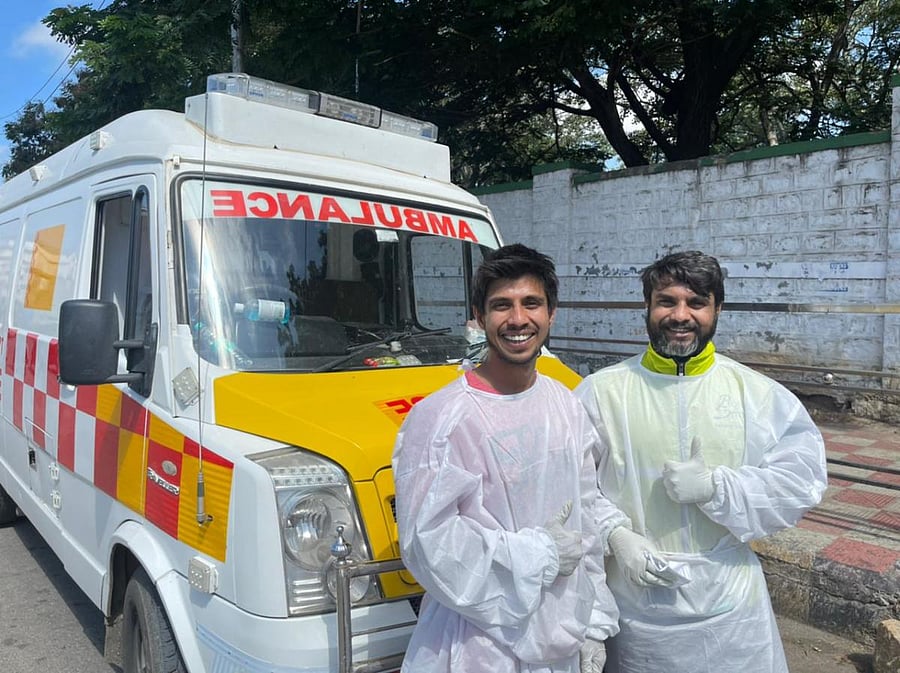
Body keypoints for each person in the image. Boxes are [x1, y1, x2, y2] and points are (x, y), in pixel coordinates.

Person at [574, 250, 828, 673]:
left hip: (732, 613)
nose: (681, 315)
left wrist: (719, 487)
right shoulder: (600, 394)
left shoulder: (757, 395)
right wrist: (616, 535)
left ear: (718, 309)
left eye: (696, 302)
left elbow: (801, 481)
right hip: (638, 615)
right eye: (666, 301)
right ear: (647, 307)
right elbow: (571, 487)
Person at [392, 243, 619, 673]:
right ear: (479, 318)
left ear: (552, 314)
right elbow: (428, 545)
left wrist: (593, 622)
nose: (517, 319)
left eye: (531, 303)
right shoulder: (440, 420)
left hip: (560, 638)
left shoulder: (566, 407)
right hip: (476, 645)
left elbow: (584, 521)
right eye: (501, 306)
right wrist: (539, 554)